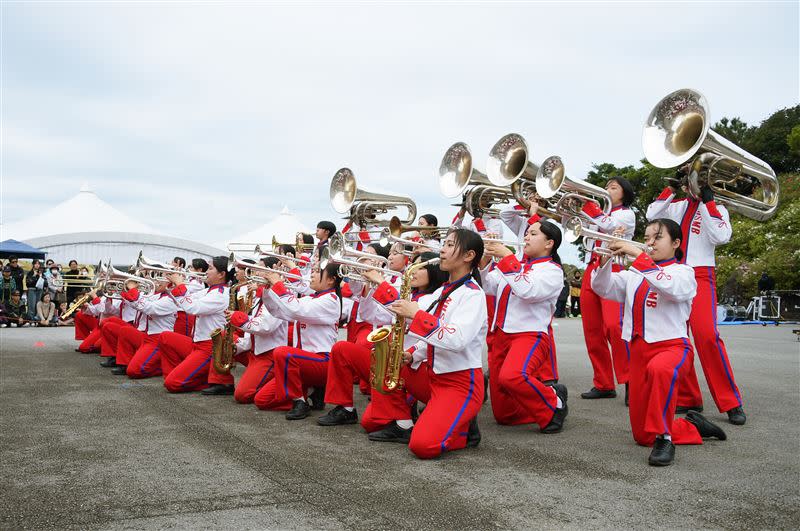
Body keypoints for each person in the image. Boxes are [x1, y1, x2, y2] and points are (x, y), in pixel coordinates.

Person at [591, 218, 727, 466]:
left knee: (660, 370)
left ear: (676, 243)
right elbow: (602, 287)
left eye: (657, 237)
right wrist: (605, 259)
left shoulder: (684, 272)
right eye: (646, 238)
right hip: (639, 350)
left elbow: (671, 287)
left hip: (673, 347)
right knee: (643, 436)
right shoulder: (635, 273)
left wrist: (638, 256)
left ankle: (666, 439)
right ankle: (691, 425)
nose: (650, 243)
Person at [646, 174, 746, 425]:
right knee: (677, 336)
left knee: (707, 336)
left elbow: (721, 236)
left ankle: (731, 402)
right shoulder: (677, 205)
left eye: (697, 177)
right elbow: (651, 214)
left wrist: (708, 201)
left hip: (701, 273)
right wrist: (671, 187)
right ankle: (689, 397)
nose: (693, 181)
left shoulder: (717, 208)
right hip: (674, 272)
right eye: (690, 176)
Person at [386, 229, 487, 459]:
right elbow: (431, 335)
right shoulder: (442, 290)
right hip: (433, 376)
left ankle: (462, 431)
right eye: (444, 244)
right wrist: (412, 353)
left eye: (450, 245)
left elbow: (455, 339)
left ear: (469, 255)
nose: (442, 250)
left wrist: (416, 315)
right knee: (388, 365)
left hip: (459, 384)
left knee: (422, 446)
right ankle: (417, 419)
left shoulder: (473, 295)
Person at [482, 220, 569, 434]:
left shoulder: (553, 271)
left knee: (512, 376)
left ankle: (554, 403)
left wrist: (506, 257)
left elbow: (528, 291)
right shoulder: (517, 265)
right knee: (504, 416)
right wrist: (485, 259)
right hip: (501, 334)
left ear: (549, 243)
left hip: (529, 334)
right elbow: (488, 285)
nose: (526, 238)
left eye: (533, 234)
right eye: (527, 233)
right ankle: (544, 394)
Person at [253, 262, 342, 419]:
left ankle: (300, 401)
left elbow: (296, 309)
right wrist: (266, 289)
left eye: (316, 272)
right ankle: (313, 391)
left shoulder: (331, 300)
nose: (311, 275)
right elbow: (279, 311)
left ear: (331, 280)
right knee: (262, 400)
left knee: (282, 352)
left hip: (322, 361)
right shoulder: (311, 298)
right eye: (312, 271)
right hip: (303, 362)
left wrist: (278, 284)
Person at [576, 176, 636, 403]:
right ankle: (603, 383)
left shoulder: (626, 214)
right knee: (592, 330)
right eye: (606, 187)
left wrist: (584, 203)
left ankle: (632, 379)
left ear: (624, 193)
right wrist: (572, 208)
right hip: (592, 269)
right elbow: (578, 228)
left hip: (616, 269)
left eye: (613, 187)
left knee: (614, 327)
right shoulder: (598, 212)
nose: (607, 190)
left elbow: (608, 225)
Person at [161, 256, 234, 393]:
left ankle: (203, 379)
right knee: (166, 337)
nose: (206, 271)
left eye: (211, 268)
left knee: (172, 384)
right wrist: (173, 283)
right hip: (197, 344)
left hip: (210, 348)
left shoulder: (221, 294)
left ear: (221, 274)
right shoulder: (210, 290)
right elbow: (182, 300)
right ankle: (187, 374)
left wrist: (180, 284)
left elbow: (192, 308)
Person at [228, 257, 290, 404]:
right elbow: (253, 331)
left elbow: (265, 326)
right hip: (257, 352)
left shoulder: (276, 296)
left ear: (270, 272)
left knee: (242, 395)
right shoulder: (260, 296)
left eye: (258, 269)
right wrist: (237, 346)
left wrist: (238, 318)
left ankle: (284, 376)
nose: (253, 271)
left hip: (269, 355)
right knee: (228, 343)